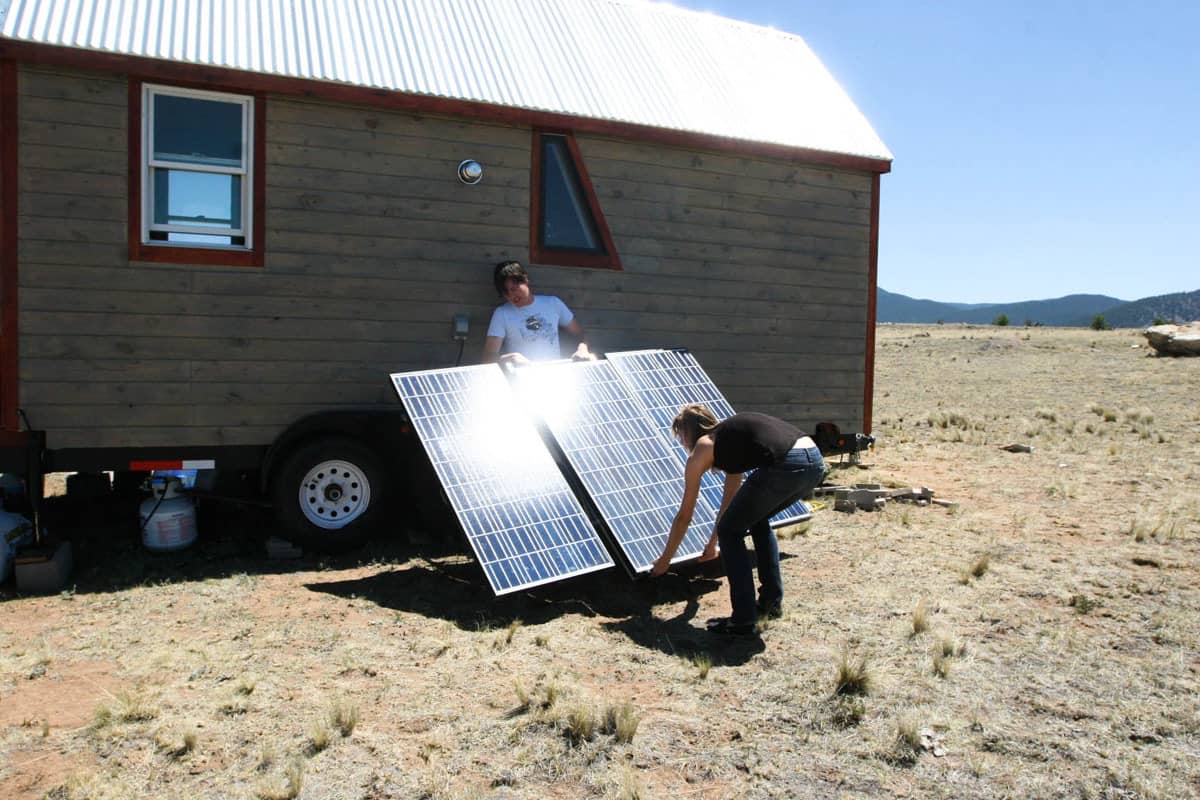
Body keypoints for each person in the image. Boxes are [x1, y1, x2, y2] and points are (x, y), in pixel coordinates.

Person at [651, 404, 826, 636]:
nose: (681, 441)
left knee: (731, 533)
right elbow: (730, 506)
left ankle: (743, 620)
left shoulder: (704, 447)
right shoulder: (732, 441)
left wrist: (665, 560)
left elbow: (685, 515)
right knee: (756, 520)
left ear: (690, 431)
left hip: (788, 462)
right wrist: (712, 543)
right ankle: (770, 603)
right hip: (813, 460)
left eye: (681, 434)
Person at [482, 260, 594, 364]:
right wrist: (509, 359)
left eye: (514, 288)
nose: (511, 295)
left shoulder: (553, 303)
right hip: (522, 378)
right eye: (506, 293)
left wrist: (583, 349)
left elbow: (581, 334)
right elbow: (488, 358)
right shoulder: (502, 313)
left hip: (556, 374)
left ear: (525, 280)